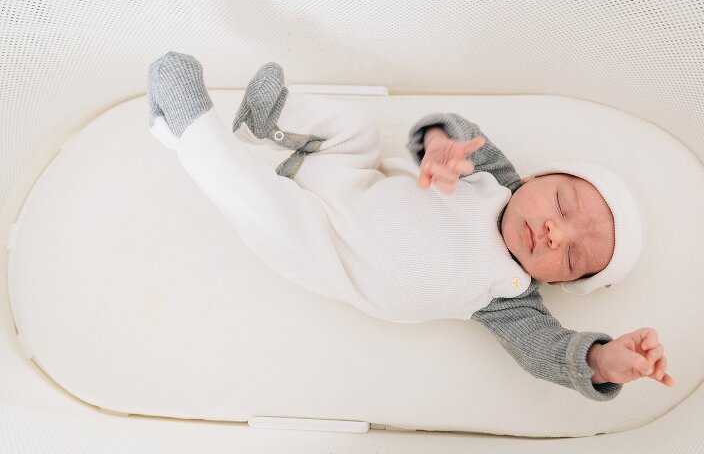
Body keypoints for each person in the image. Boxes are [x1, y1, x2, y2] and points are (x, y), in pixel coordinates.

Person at [147, 51, 674, 402]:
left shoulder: (511, 301)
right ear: (537, 177)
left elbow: (546, 354)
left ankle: (190, 125)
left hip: (324, 247)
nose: (557, 233)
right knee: (357, 128)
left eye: (572, 258)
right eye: (561, 203)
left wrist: (603, 360)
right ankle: (268, 123)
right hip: (346, 177)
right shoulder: (494, 175)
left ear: (558, 283)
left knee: (259, 208)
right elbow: (454, 131)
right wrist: (442, 144)